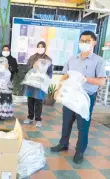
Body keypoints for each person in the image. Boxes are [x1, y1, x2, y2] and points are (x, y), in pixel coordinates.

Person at [50, 31, 106, 164]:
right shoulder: (72, 59)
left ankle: (80, 151)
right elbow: (65, 76)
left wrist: (86, 79)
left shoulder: (99, 61)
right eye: (82, 40)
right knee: (66, 122)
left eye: (87, 41)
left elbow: (102, 81)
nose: (83, 43)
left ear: (94, 42)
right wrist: (58, 90)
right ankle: (63, 144)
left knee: (83, 126)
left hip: (85, 98)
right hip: (70, 96)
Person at [23, 41, 53, 127]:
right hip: (31, 82)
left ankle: (38, 119)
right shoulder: (32, 57)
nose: (40, 48)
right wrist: (32, 66)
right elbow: (26, 68)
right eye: (39, 46)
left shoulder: (48, 59)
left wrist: (45, 77)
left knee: (39, 101)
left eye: (42, 46)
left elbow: (50, 72)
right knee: (30, 100)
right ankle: (30, 117)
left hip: (40, 84)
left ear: (45, 48)